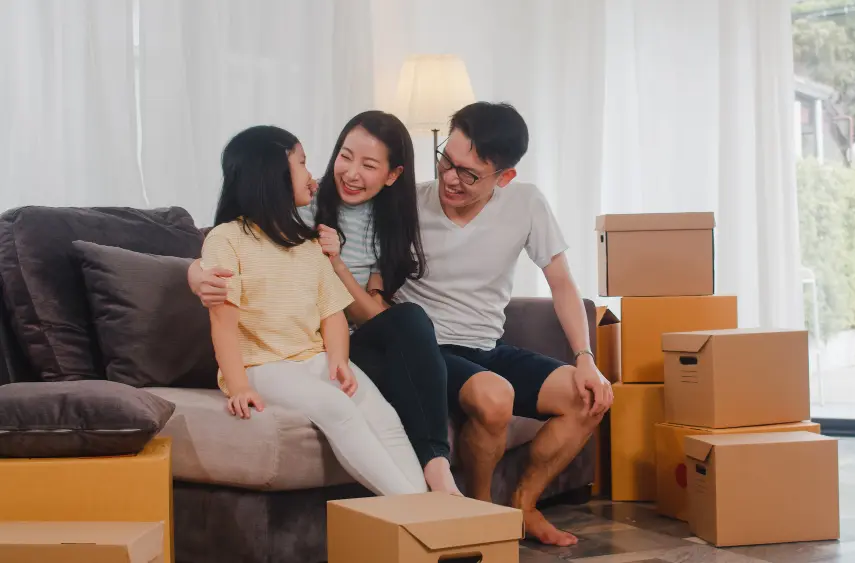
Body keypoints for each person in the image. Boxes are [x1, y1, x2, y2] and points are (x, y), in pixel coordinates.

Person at [189, 113, 459, 494]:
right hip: (263, 366)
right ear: (273, 176)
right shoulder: (228, 238)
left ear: (392, 174)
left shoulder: (308, 240)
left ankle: (431, 502)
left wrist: (339, 361)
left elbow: (332, 310)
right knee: (337, 409)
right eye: (301, 163)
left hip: (314, 356)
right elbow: (223, 324)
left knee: (382, 414)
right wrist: (237, 387)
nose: (313, 172)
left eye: (368, 165)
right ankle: (415, 508)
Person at [394, 101, 614, 546]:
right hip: (423, 349)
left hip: (484, 347)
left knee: (589, 397)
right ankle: (479, 518)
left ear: (505, 177)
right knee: (496, 398)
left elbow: (563, 285)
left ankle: (522, 506)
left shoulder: (526, 202)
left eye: (470, 174)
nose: (451, 179)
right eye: (446, 161)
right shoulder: (407, 204)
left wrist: (585, 359)